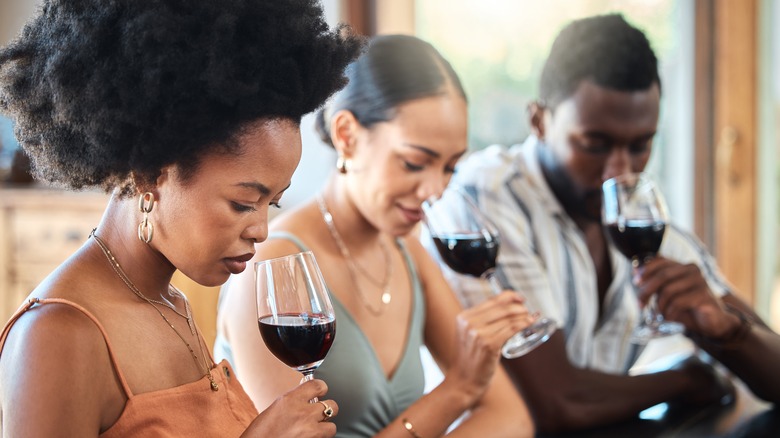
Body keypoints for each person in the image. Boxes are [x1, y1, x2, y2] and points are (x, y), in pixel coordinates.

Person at [0, 0, 362, 436]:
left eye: (274, 203)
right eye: (244, 203)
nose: (262, 230)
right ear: (152, 173)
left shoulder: (173, 304)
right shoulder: (58, 335)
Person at [421, 13, 780, 434]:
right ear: (539, 121)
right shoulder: (489, 202)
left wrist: (725, 330)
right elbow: (558, 405)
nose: (619, 171)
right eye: (595, 144)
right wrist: (687, 378)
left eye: (640, 145)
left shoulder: (633, 215)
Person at [215, 34, 536, 438]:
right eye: (415, 163)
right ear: (347, 135)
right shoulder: (272, 271)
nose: (435, 190)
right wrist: (458, 392)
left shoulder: (407, 253)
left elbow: (512, 418)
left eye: (451, 167)